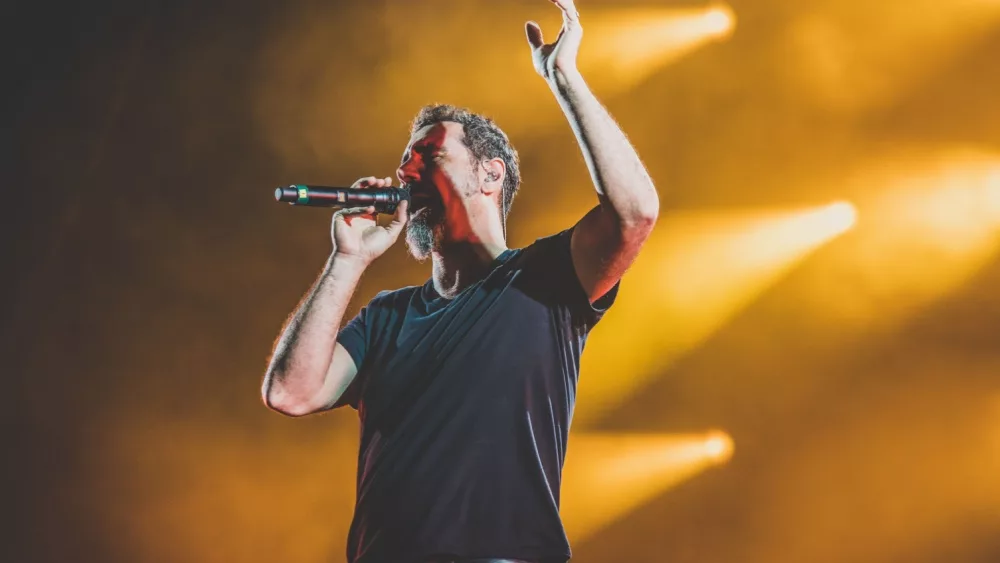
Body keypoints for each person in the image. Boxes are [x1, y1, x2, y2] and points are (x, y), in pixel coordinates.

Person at [262, 1, 659, 561]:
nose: (405, 172)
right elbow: (291, 392)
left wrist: (564, 79)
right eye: (404, 162)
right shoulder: (386, 316)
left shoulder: (543, 279)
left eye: (427, 154)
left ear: (489, 173)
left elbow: (635, 213)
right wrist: (346, 261)